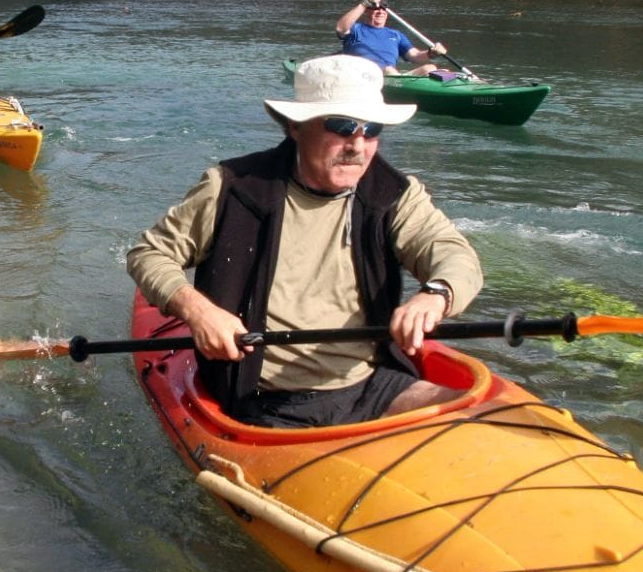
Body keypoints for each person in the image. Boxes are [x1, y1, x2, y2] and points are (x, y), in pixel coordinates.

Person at [126, 55, 483, 428]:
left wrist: (437, 292)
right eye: (342, 126)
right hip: (264, 398)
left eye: (372, 129)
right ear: (296, 126)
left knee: (481, 420)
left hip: (374, 385)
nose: (357, 146)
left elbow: (455, 255)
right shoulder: (231, 187)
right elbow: (149, 254)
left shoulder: (396, 194)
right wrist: (199, 312)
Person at [336, 0, 447, 76]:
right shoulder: (355, 29)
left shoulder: (395, 35)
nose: (380, 11)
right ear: (366, 11)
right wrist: (364, 3)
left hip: (392, 78)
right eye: (375, 8)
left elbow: (415, 56)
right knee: (389, 70)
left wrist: (431, 53)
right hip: (364, 77)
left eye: (384, 8)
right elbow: (341, 28)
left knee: (430, 68)